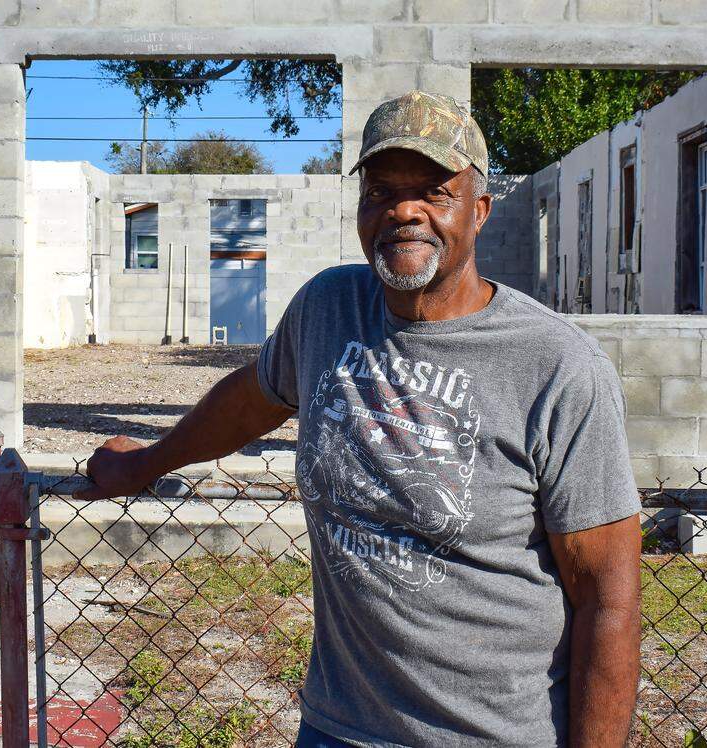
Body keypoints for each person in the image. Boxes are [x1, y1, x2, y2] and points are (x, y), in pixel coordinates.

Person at [76, 90, 642, 747]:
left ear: (480, 210)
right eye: (380, 191)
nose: (403, 210)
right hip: (337, 728)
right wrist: (144, 462)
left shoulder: (558, 366)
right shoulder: (327, 310)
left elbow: (609, 600)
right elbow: (251, 400)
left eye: (434, 191)